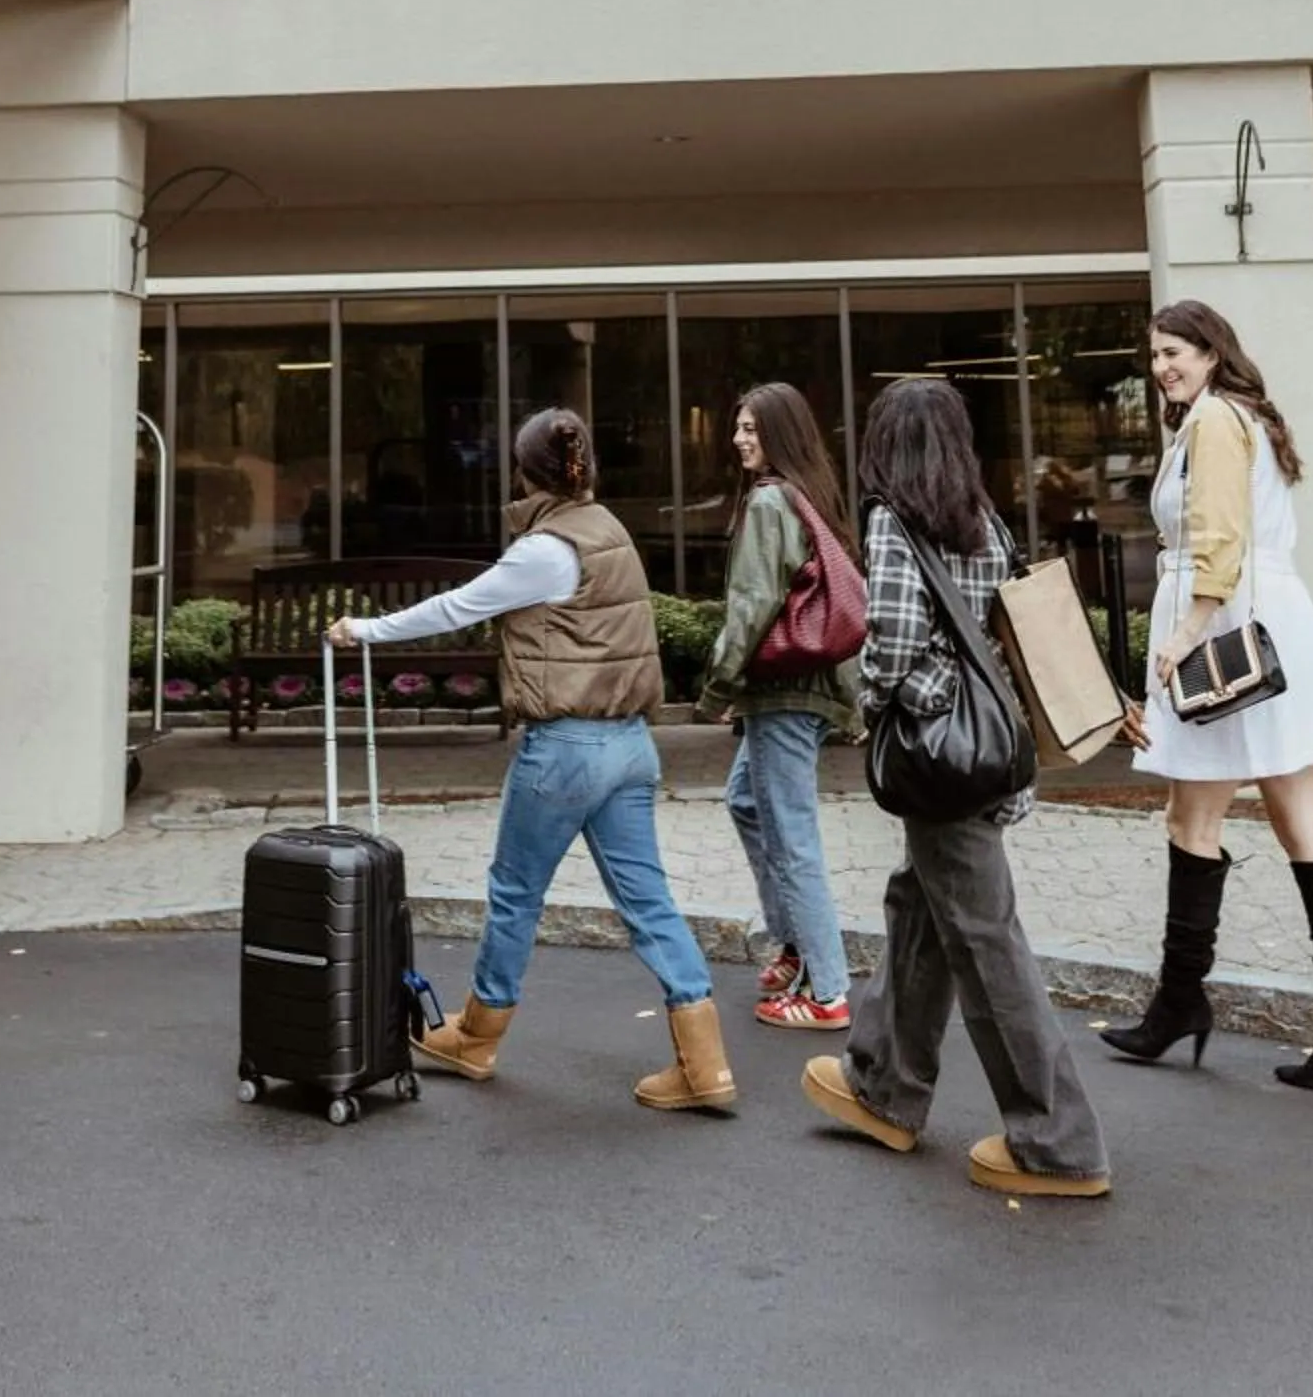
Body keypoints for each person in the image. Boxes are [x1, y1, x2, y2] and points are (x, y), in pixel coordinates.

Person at [325, 405, 737, 1116]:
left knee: (516, 894)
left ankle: (477, 1038)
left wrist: (364, 629)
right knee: (650, 903)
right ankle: (705, 1064)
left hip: (568, 749)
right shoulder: (609, 530)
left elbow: (456, 608)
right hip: (631, 745)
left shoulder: (544, 551)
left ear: (523, 472)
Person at [801, 376, 1111, 1199]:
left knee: (986, 942)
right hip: (983, 753)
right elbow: (1012, 642)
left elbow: (893, 644)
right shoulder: (987, 523)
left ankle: (1058, 1139)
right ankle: (885, 1085)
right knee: (921, 911)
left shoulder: (894, 524)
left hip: (939, 761)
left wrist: (875, 708)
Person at [1101, 299, 1313, 1096]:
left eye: (1175, 351)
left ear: (1213, 351)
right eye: (1154, 355)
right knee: (1302, 823)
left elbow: (1218, 539)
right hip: (1271, 637)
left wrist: (1185, 636)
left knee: (1192, 819)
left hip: (1225, 641)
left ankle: (1180, 1003)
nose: (1162, 367)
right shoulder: (1242, 416)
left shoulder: (1216, 421)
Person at [696, 382, 858, 1030]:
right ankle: (795, 945)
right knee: (746, 801)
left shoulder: (769, 502)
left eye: (752, 429)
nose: (739, 438)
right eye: (737, 427)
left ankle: (828, 991)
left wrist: (716, 687)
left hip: (785, 690)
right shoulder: (807, 494)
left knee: (793, 837)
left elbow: (751, 606)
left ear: (781, 436)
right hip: (805, 686)